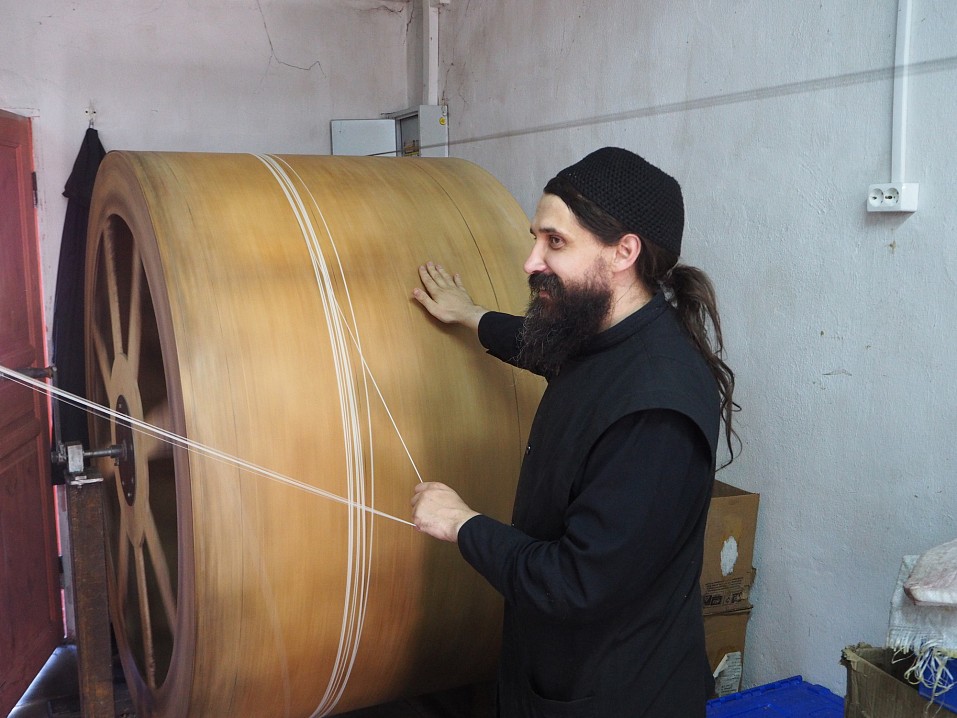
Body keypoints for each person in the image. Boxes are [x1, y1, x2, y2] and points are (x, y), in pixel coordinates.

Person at [410, 147, 737, 717]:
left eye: (555, 242)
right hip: (556, 675)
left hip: (615, 698)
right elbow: (543, 348)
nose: (530, 260)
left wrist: (462, 524)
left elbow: (575, 583)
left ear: (624, 252)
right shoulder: (608, 332)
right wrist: (471, 315)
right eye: (535, 238)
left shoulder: (656, 412)